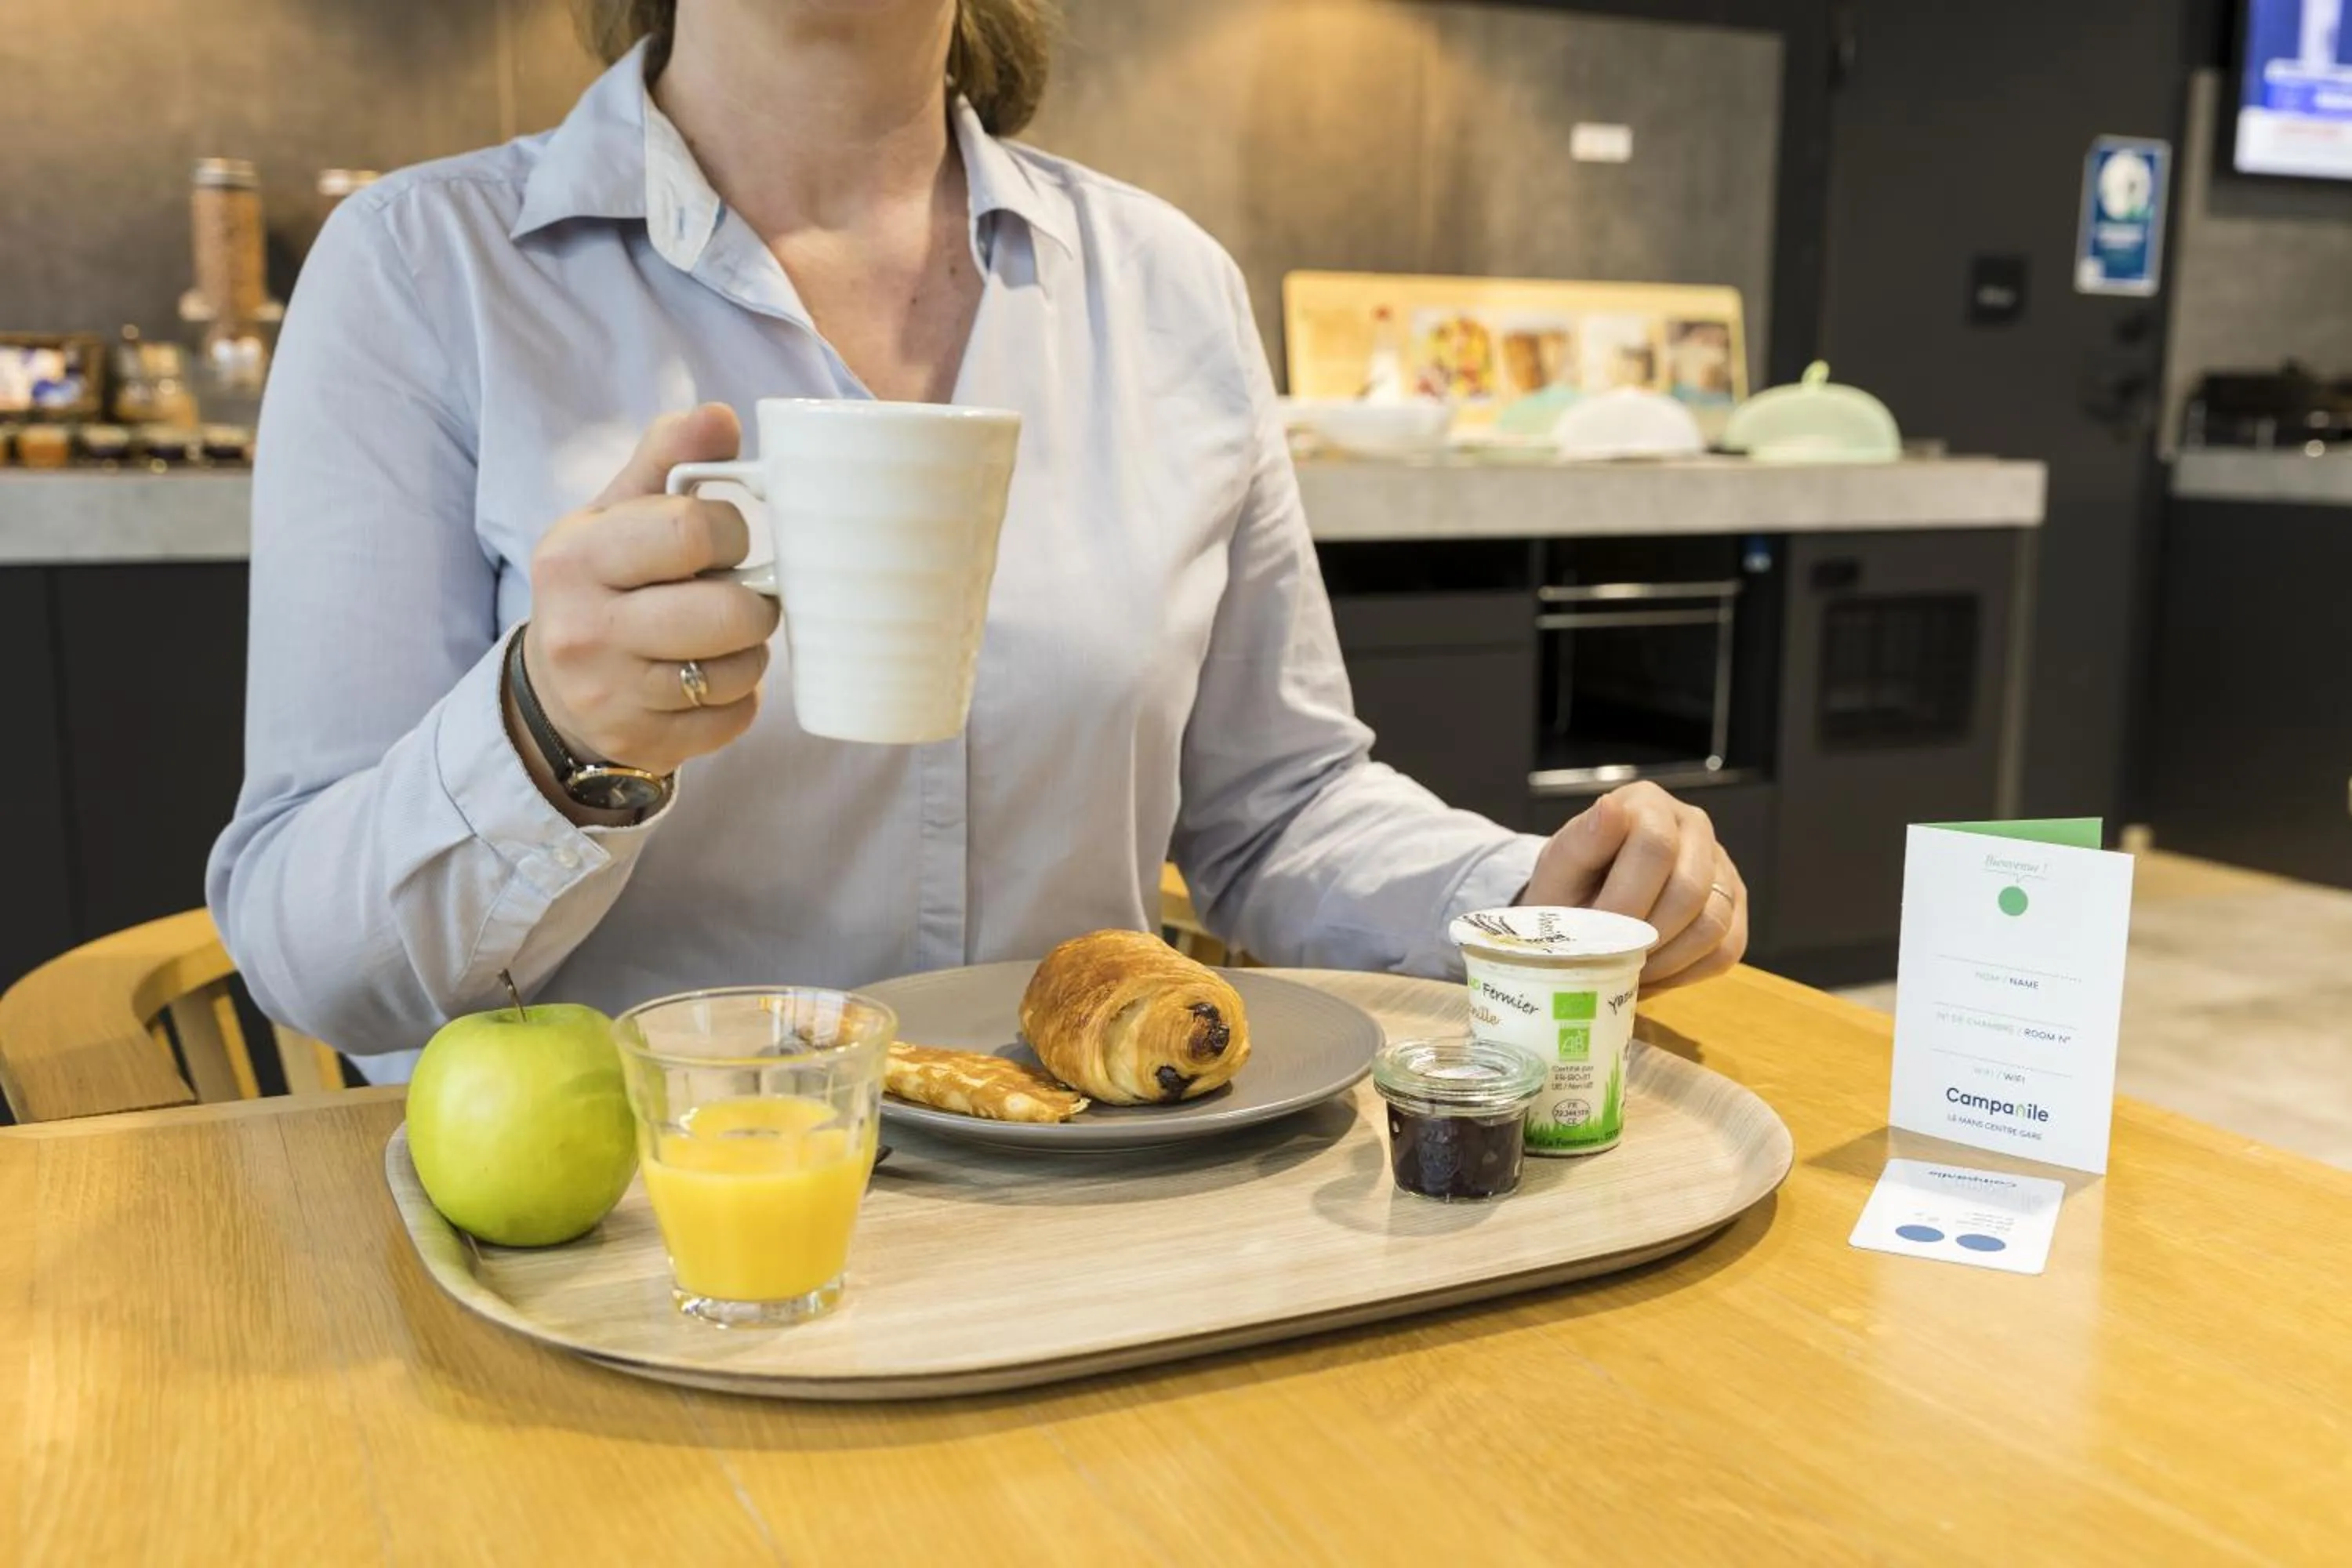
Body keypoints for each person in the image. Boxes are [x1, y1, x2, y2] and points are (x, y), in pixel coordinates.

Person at [207, 0, 1748, 1079]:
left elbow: (1280, 812)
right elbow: (309, 950)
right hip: (620, 1254)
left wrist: (1544, 899)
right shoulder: (423, 274)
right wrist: (540, 737)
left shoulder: (1167, 287)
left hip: (1081, 1215)